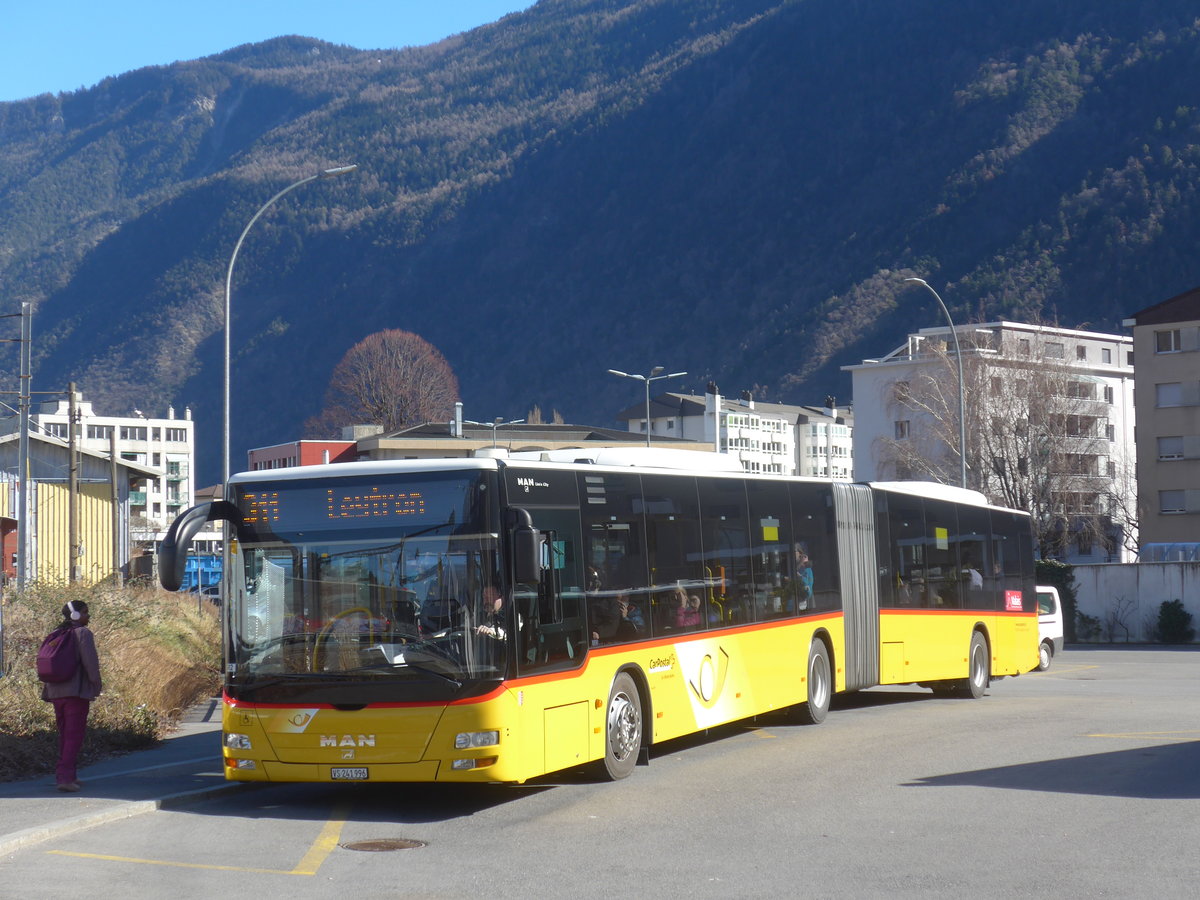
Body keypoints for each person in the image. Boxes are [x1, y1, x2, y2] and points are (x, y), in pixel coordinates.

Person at [41, 599, 102, 793]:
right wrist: (96, 685)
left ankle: (70, 774)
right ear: (75, 615)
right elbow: (91, 664)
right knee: (74, 736)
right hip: (75, 693)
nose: (88, 616)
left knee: (65, 735)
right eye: (85, 612)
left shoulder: (55, 634)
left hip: (55, 692)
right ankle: (65, 778)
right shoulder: (83, 633)